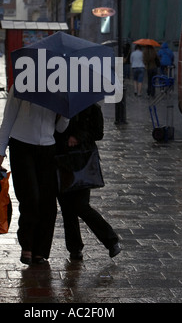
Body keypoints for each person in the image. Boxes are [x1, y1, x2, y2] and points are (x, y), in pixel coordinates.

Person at [0, 86, 69, 265]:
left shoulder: (62, 89)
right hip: (22, 146)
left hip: (48, 147)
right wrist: (0, 151)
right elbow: (8, 118)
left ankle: (40, 251)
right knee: (30, 198)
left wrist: (66, 113)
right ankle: (27, 245)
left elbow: (60, 127)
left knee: (48, 202)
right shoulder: (21, 82)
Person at [55, 104, 121, 260]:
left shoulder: (91, 107)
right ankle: (74, 248)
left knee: (81, 205)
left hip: (82, 162)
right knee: (66, 208)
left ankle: (111, 240)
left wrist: (78, 136)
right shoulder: (56, 105)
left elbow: (98, 132)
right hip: (60, 161)